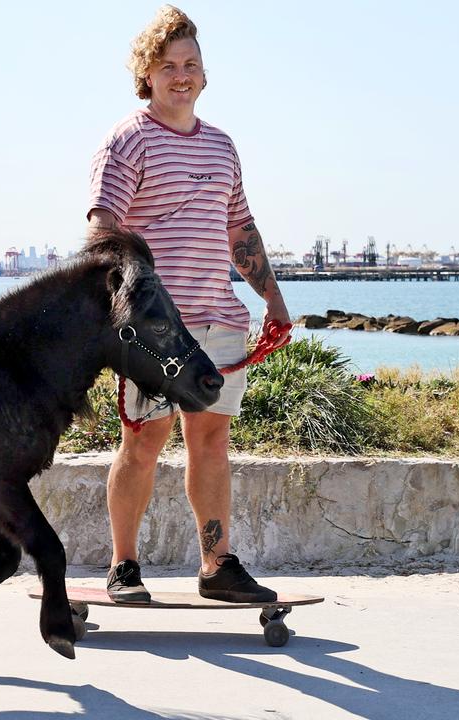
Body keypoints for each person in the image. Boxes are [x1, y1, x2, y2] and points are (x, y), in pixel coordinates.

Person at [87, 5, 291, 604]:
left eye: (191, 64)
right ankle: (124, 566)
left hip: (220, 320)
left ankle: (217, 565)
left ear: (204, 74)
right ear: (146, 75)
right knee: (143, 443)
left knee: (210, 443)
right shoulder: (129, 139)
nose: (182, 75)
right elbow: (104, 230)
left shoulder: (222, 147)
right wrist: (128, 309)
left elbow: (241, 231)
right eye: (168, 65)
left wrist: (274, 301)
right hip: (154, 329)